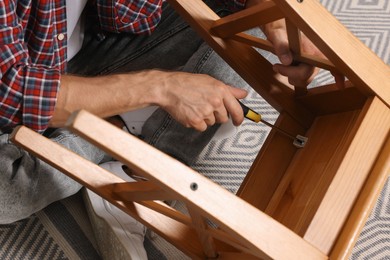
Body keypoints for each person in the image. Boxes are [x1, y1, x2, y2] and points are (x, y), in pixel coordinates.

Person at [0, 0, 321, 226]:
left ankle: (130, 165)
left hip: (90, 49)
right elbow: (14, 90)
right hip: (16, 88)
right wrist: (162, 88)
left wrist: (276, 24)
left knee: (241, 31)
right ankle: (119, 137)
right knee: (8, 192)